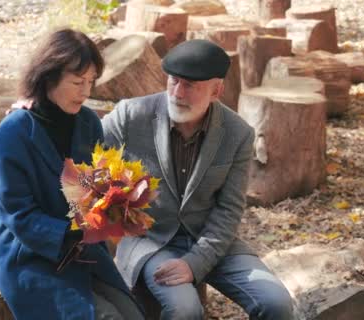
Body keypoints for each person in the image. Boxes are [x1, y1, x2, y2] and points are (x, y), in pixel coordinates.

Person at [102, 39, 294, 320]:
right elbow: (82, 147)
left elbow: (229, 210)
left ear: (216, 90)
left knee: (276, 302)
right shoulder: (131, 115)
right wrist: (37, 113)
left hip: (212, 241)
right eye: (173, 81)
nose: (178, 92)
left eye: (190, 85)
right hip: (151, 240)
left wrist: (195, 262)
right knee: (185, 309)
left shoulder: (238, 134)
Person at [0, 28, 144, 320]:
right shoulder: (14, 131)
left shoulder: (88, 122)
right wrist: (73, 232)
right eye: (77, 82)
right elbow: (18, 215)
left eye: (90, 82)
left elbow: (96, 186)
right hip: (27, 248)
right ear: (49, 77)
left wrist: (117, 201)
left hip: (81, 237)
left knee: (132, 314)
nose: (86, 92)